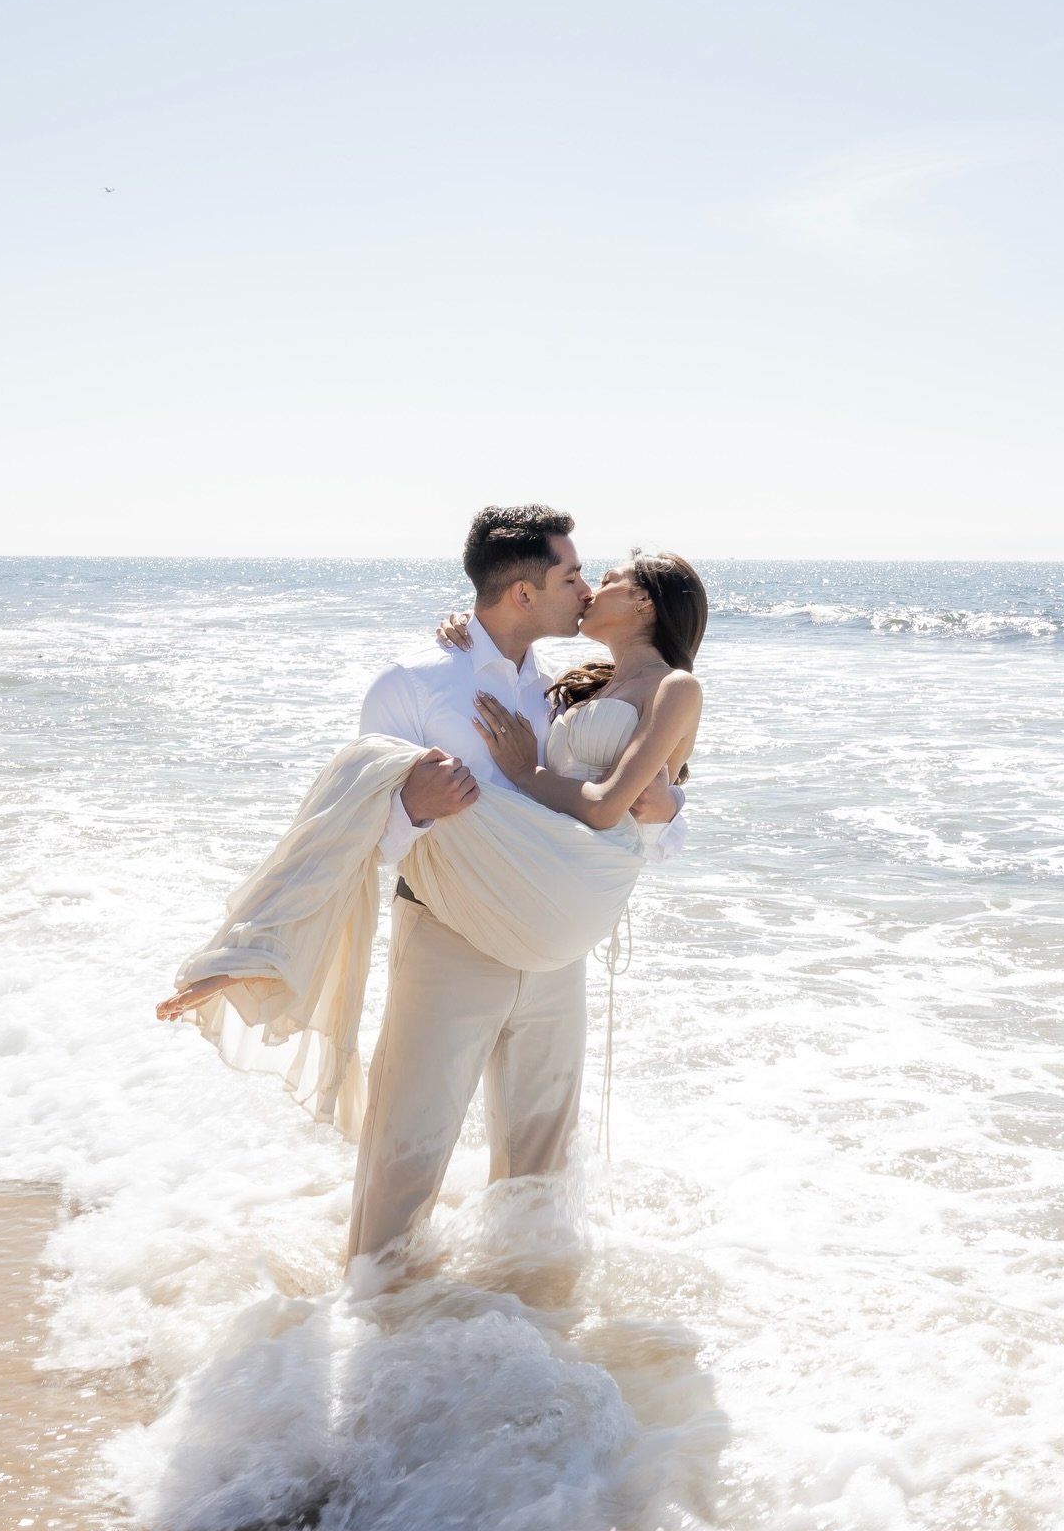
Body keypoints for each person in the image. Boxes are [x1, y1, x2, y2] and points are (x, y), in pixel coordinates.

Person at [155, 508, 707, 1267]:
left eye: (591, 577)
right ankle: (377, 1319)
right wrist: (413, 804)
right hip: (451, 935)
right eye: (571, 576)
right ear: (522, 594)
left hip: (555, 942)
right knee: (409, 1142)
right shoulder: (415, 682)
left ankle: (527, 1330)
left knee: (541, 1153)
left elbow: (628, 810)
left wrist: (669, 803)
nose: (583, 590)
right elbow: (359, 837)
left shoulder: (559, 691)